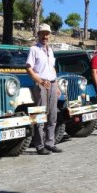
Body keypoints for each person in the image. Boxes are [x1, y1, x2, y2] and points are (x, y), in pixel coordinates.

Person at [26, 23, 62, 155]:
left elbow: (52, 68)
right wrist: (40, 81)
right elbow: (28, 68)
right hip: (41, 84)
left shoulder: (50, 50)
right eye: (42, 33)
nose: (45, 36)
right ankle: (40, 145)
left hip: (52, 83)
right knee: (40, 116)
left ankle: (50, 143)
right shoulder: (34, 49)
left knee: (53, 115)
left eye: (47, 34)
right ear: (38, 34)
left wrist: (56, 84)